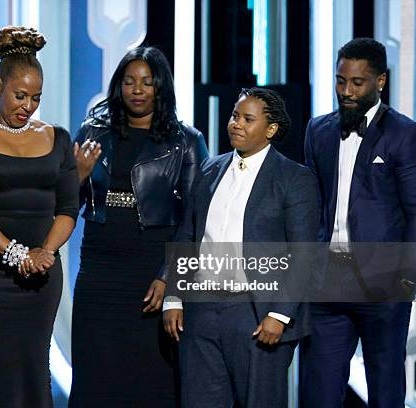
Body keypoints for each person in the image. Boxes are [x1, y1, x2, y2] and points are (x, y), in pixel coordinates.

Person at [69, 46, 208, 407]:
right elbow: (66, 205)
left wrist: (169, 276)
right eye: (130, 81)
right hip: (99, 270)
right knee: (95, 373)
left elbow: (196, 219)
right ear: (119, 86)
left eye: (147, 82)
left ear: (160, 87)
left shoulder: (186, 141)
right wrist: (76, 178)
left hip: (151, 270)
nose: (137, 89)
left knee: (150, 376)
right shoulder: (92, 131)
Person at [163, 88, 319, 407]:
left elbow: (304, 254)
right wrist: (174, 296)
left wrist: (280, 314)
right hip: (201, 311)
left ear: (271, 129)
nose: (237, 124)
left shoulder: (293, 178)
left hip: (256, 313)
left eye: (248, 119)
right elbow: (188, 236)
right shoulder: (210, 170)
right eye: (235, 116)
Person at [299, 37, 416, 408]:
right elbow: (311, 205)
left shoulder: (404, 133)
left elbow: (415, 210)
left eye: (356, 83)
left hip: (383, 284)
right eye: (340, 81)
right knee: (320, 392)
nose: (346, 91)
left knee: (385, 392)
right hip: (327, 283)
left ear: (380, 82)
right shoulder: (318, 131)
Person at [0, 26, 79, 408]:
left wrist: (45, 252)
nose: (27, 106)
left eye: (35, 98)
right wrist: (16, 254)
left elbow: (67, 209)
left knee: (33, 364)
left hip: (41, 275)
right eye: (20, 95)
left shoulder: (58, 138)